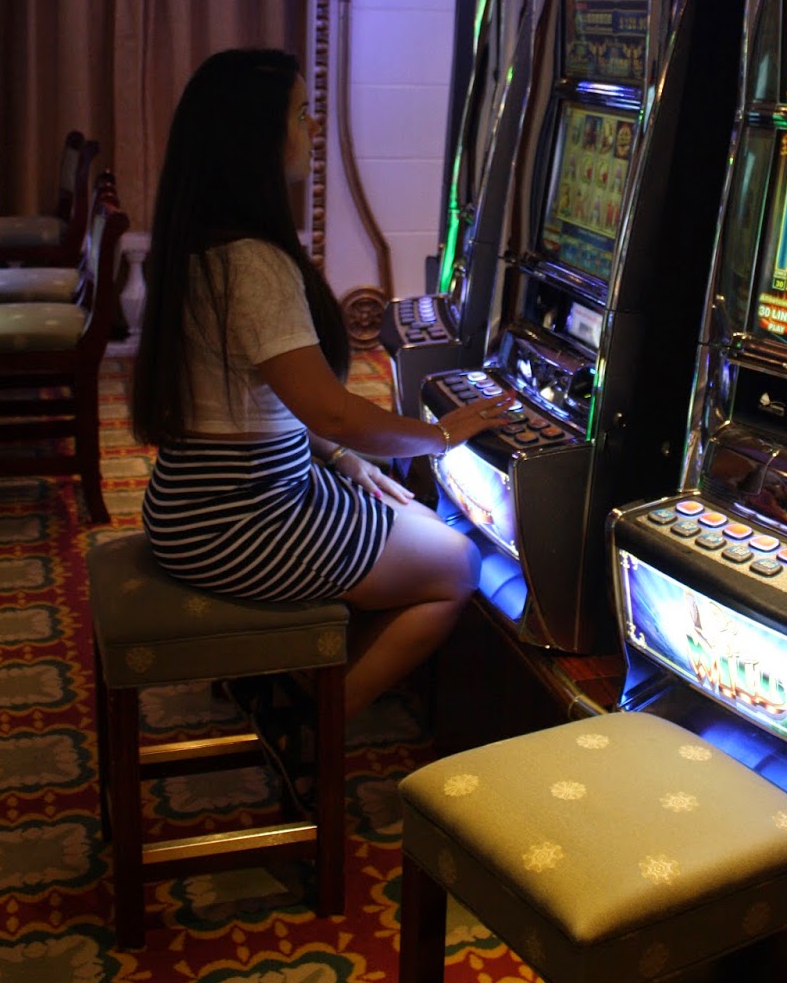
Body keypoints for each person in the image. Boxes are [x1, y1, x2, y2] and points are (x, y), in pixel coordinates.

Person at [132, 47, 514, 726]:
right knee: (458, 564)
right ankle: (316, 719)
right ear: (253, 138)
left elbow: (260, 406)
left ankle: (302, 667)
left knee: (419, 518)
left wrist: (343, 462)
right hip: (241, 521)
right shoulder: (253, 264)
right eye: (302, 113)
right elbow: (332, 411)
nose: (313, 128)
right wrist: (442, 434)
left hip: (190, 506)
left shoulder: (197, 241)